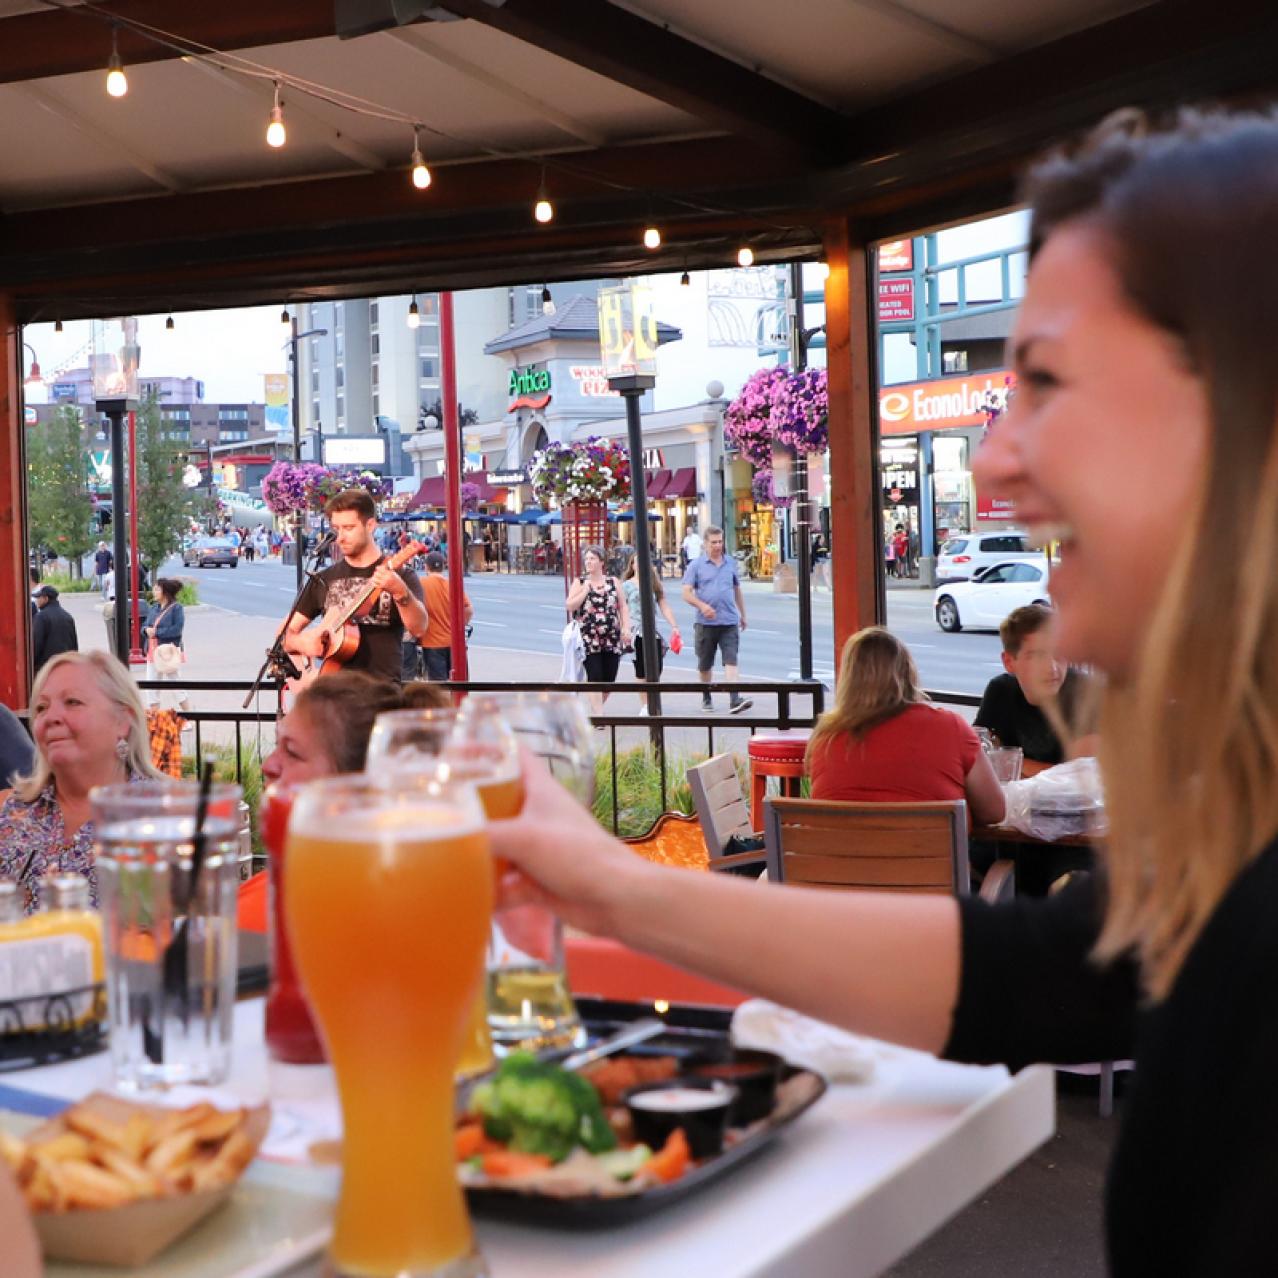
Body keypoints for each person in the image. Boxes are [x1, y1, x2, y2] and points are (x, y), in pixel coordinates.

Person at [490, 110, 1278, 1272]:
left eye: (1048, 380)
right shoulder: (1234, 845)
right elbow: (1035, 975)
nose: (996, 459)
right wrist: (609, 888)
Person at [0, 652, 161, 911]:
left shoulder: (166, 819)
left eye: (72, 702)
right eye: (41, 707)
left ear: (123, 721)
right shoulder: (11, 812)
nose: (51, 717)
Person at [807, 628, 1005, 826]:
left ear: (847, 678)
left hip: (836, 855)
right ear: (907, 672)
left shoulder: (825, 739)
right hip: (931, 854)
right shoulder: (950, 727)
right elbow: (994, 811)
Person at [283, 489, 428, 684]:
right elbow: (285, 635)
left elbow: (419, 628)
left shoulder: (401, 576)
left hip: (382, 696)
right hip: (332, 698)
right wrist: (303, 643)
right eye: (337, 529)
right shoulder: (324, 578)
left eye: (349, 528)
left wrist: (400, 592)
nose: (340, 537)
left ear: (370, 525)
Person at [975, 604, 1096, 776]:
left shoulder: (1086, 692)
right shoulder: (1001, 691)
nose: (1052, 668)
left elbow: (1077, 779)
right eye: (1038, 656)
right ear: (1009, 662)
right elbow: (978, 756)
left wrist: (1011, 760)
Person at [681, 525, 753, 714]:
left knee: (731, 659)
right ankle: (706, 696)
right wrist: (702, 606)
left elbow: (737, 589)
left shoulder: (730, 563)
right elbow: (686, 593)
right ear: (705, 544)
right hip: (706, 624)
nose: (717, 546)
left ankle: (734, 698)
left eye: (720, 541)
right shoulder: (696, 566)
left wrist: (743, 614)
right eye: (713, 542)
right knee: (705, 664)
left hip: (729, 621)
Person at [566, 546, 630, 711]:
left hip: (611, 637)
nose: (588, 562)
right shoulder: (580, 582)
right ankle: (599, 715)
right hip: (589, 637)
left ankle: (596, 707)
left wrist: (626, 628)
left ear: (602, 562)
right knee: (594, 675)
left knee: (609, 679)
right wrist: (585, 591)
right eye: (586, 559)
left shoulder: (613, 582)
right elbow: (570, 605)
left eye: (592, 558)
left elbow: (622, 606)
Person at [418, 551, 473, 681]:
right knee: (459, 682)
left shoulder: (421, 584)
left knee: (439, 686)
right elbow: (468, 609)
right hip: (454, 641)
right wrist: (460, 625)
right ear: (443, 567)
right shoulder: (452, 585)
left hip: (432, 642)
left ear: (426, 567)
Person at [142, 577, 188, 711]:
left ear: (165, 591)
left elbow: (177, 630)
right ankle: (155, 720)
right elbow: (145, 625)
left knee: (176, 686)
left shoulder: (176, 608)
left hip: (168, 652)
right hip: (152, 651)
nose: (153, 592)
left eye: (157, 589)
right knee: (151, 688)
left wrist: (156, 632)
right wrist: (145, 631)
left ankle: (189, 717)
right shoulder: (154, 608)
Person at [31, 585, 78, 673]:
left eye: (39, 598)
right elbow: (74, 645)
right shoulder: (68, 617)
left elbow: (36, 644)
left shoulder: (41, 617)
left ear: (46, 598)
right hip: (65, 666)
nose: (37, 601)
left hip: (46, 668)